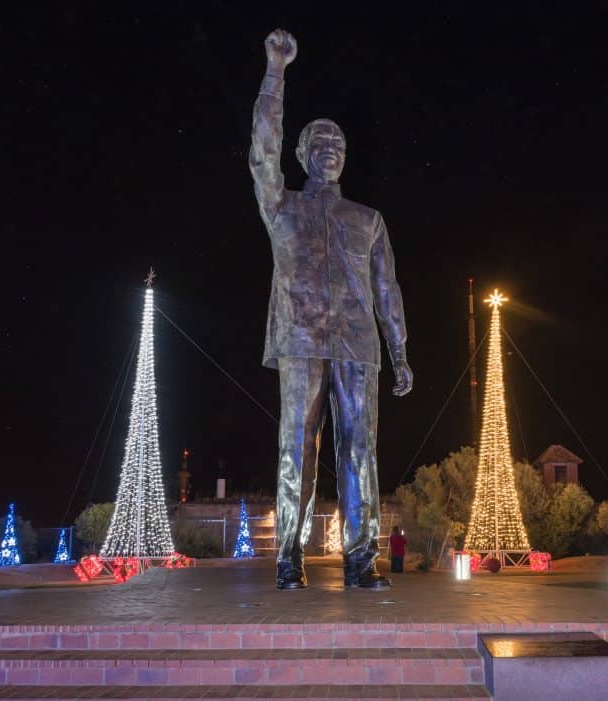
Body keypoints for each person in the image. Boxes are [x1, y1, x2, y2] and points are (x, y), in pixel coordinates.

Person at [250, 29, 414, 591]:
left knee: (361, 452)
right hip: (300, 339)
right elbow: (260, 152)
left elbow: (387, 285)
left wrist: (399, 349)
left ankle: (360, 559)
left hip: (358, 345)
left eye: (339, 145)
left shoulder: (366, 219)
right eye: (320, 144)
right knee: (296, 447)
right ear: (303, 155)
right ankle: (288, 558)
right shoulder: (283, 207)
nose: (331, 151)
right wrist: (276, 72)